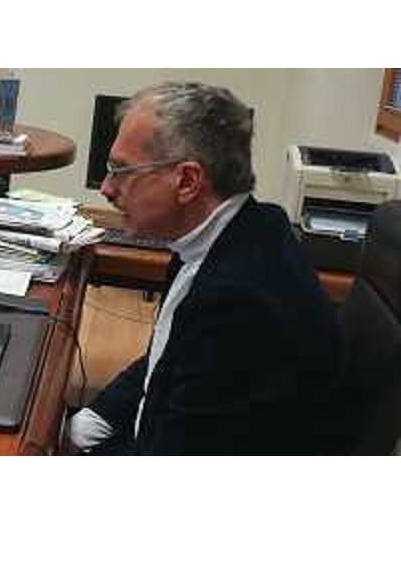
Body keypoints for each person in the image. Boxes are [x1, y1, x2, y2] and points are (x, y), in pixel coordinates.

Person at [68, 81, 342, 455]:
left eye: (121, 170)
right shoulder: (247, 226)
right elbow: (165, 361)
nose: (106, 188)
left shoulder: (237, 305)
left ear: (187, 181)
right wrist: (92, 420)